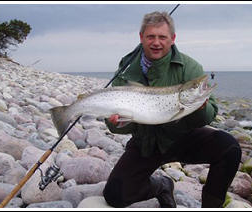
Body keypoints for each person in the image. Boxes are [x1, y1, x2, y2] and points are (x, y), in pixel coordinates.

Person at [103, 11, 241, 208]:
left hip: (183, 137)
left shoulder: (190, 67)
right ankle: (161, 186)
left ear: (173, 39)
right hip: (145, 142)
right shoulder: (126, 68)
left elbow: (210, 115)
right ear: (141, 37)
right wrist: (114, 123)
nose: (156, 42)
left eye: (162, 37)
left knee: (229, 148)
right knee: (115, 195)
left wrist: (201, 107)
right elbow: (118, 125)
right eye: (151, 36)